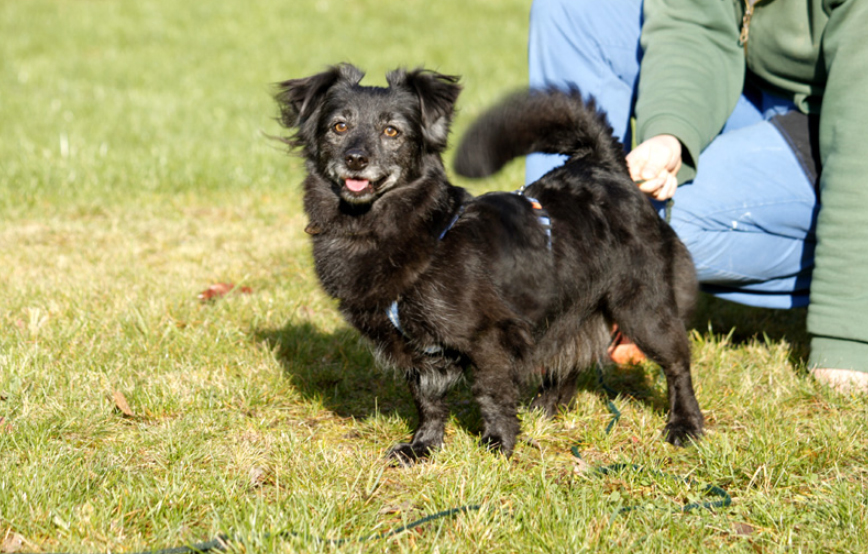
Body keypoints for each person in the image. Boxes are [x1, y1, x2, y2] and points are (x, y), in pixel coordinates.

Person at [526, 0, 868, 392]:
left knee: (644, 230)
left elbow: (861, 133)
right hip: (753, 86)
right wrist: (671, 133)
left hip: (847, 116)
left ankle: (615, 295)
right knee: (573, 7)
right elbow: (695, 21)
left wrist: (850, 334)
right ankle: (546, 289)